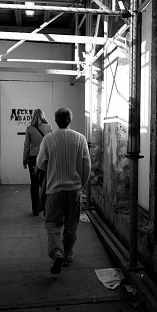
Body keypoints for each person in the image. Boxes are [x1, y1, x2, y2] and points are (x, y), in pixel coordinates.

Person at [36, 108, 91, 274]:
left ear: (55, 120)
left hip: (55, 190)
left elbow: (40, 163)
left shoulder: (49, 138)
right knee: (71, 224)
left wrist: (52, 167)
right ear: (70, 119)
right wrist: (81, 185)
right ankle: (67, 255)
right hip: (74, 189)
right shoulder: (80, 138)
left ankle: (56, 253)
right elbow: (87, 166)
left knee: (52, 222)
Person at [23, 109, 52, 216]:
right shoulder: (49, 127)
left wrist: (24, 160)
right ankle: (45, 208)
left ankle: (35, 209)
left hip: (33, 159)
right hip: (45, 158)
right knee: (45, 184)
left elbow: (27, 146)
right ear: (43, 116)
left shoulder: (29, 129)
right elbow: (52, 144)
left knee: (34, 184)